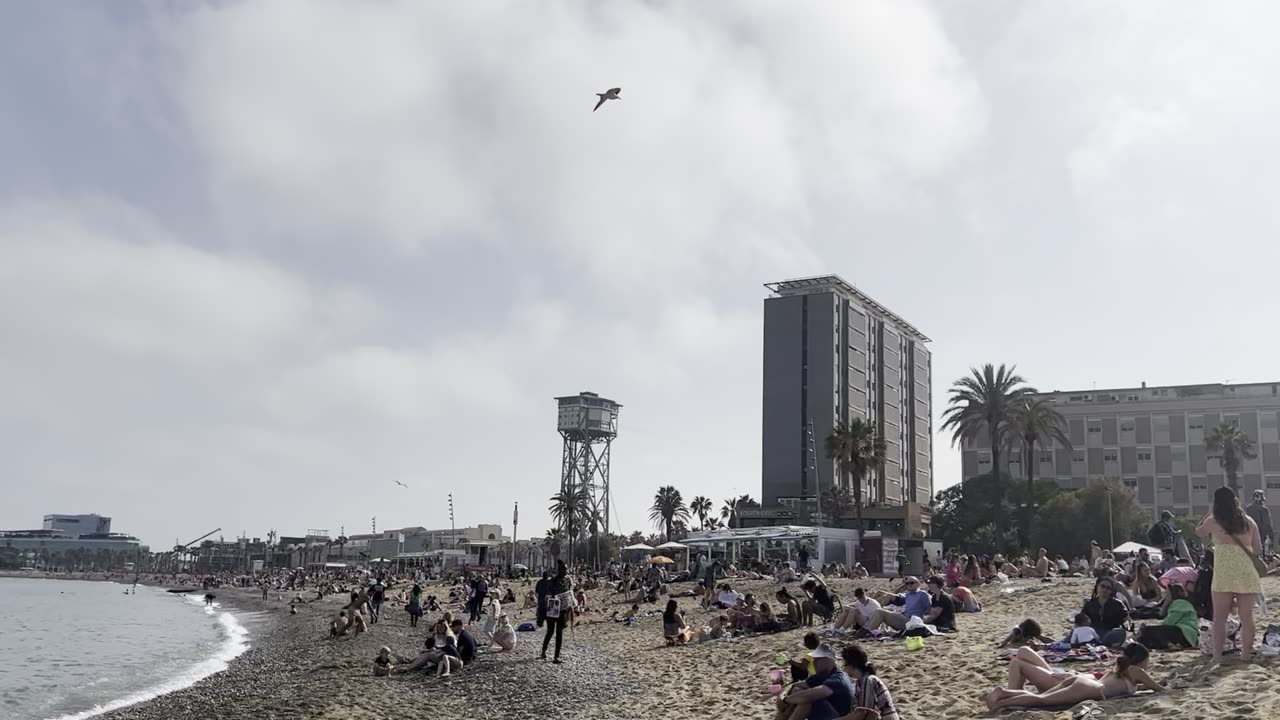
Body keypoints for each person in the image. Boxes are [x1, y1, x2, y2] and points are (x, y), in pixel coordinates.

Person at [984, 643, 1160, 711]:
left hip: (1084, 682)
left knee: (1042, 697)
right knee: (1042, 700)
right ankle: (1002, 702)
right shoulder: (1137, 671)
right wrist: (1169, 685)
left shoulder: (1120, 671)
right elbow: (1158, 689)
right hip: (1092, 688)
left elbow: (1134, 688)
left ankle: (1005, 693)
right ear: (1141, 660)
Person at [1197, 486, 1263, 663]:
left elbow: (1199, 532)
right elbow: (1257, 549)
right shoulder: (1249, 522)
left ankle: (1217, 656)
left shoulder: (1213, 521)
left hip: (1224, 573)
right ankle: (1246, 654)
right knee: (1247, 617)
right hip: (1245, 572)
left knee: (1219, 618)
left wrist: (1209, 512)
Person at [773, 644, 854, 720]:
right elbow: (794, 685)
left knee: (807, 701)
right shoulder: (823, 675)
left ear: (828, 660)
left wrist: (786, 700)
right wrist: (782, 696)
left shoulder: (838, 677)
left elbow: (815, 694)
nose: (814, 663)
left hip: (839, 718)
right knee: (796, 691)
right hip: (828, 713)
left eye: (817, 659)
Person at [841, 643, 899, 720]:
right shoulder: (861, 681)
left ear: (852, 665)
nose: (843, 669)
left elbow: (864, 712)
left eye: (844, 665)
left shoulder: (867, 681)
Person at [1136, 583, 1198, 650]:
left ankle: (1169, 645)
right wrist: (1166, 603)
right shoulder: (1182, 603)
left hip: (1184, 632)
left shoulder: (1180, 603)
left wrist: (1167, 602)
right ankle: (1174, 644)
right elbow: (1161, 614)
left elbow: (1169, 622)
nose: (1166, 595)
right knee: (1147, 636)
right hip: (1187, 636)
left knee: (1148, 630)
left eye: (1167, 593)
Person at [862, 577, 930, 633]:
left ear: (918, 584)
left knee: (880, 612)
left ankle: (867, 632)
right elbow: (894, 595)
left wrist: (922, 620)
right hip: (904, 617)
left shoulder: (922, 594)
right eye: (907, 583)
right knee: (878, 610)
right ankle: (864, 630)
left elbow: (929, 608)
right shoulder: (907, 595)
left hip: (911, 621)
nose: (909, 585)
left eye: (912, 583)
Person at [540, 560, 574, 663]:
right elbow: (548, 594)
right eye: (564, 569)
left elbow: (569, 594)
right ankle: (544, 651)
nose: (566, 571)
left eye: (566, 569)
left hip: (562, 610)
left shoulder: (567, 581)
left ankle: (556, 656)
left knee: (560, 633)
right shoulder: (552, 581)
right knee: (550, 631)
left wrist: (570, 606)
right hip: (552, 609)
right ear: (560, 570)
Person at [1080, 576, 1128, 647]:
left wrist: (1127, 626)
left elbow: (1126, 621)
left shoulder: (1117, 604)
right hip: (1093, 633)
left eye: (1108, 588)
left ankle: (1098, 643)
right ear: (1097, 587)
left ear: (1111, 591)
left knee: (1120, 632)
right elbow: (1081, 621)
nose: (1104, 590)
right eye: (1102, 586)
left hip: (1110, 632)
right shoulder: (1089, 604)